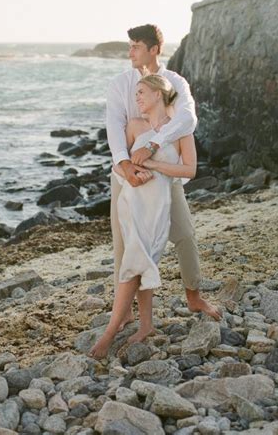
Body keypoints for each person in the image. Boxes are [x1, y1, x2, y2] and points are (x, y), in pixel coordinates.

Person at [106, 24, 222, 328]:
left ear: (154, 49)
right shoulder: (121, 84)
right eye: (129, 45)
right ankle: (126, 311)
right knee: (123, 243)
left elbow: (188, 118)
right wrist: (126, 166)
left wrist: (156, 143)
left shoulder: (174, 83)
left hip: (165, 174)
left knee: (184, 235)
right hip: (126, 176)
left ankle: (194, 297)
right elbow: (114, 129)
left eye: (135, 46)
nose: (129, 52)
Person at [90, 74, 198, 358]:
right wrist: (134, 172)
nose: (136, 98)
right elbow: (119, 166)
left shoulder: (179, 130)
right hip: (133, 205)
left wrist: (151, 163)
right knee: (136, 261)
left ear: (158, 95)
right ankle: (120, 329)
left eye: (141, 93)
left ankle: (133, 327)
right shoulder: (134, 126)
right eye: (135, 92)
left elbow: (190, 170)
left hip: (158, 210)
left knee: (141, 263)